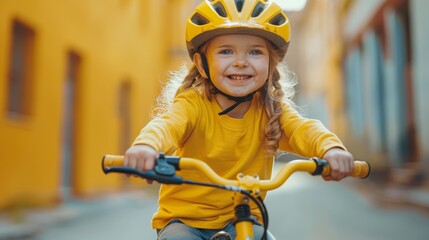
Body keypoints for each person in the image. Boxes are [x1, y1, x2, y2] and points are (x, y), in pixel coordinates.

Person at [124, 0, 354, 239]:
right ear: (202, 65)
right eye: (226, 51)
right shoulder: (194, 104)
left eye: (255, 52)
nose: (241, 61)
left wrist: (331, 150)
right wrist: (146, 147)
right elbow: (166, 125)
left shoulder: (271, 110)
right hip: (184, 220)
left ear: (271, 65)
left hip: (243, 218)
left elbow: (303, 130)